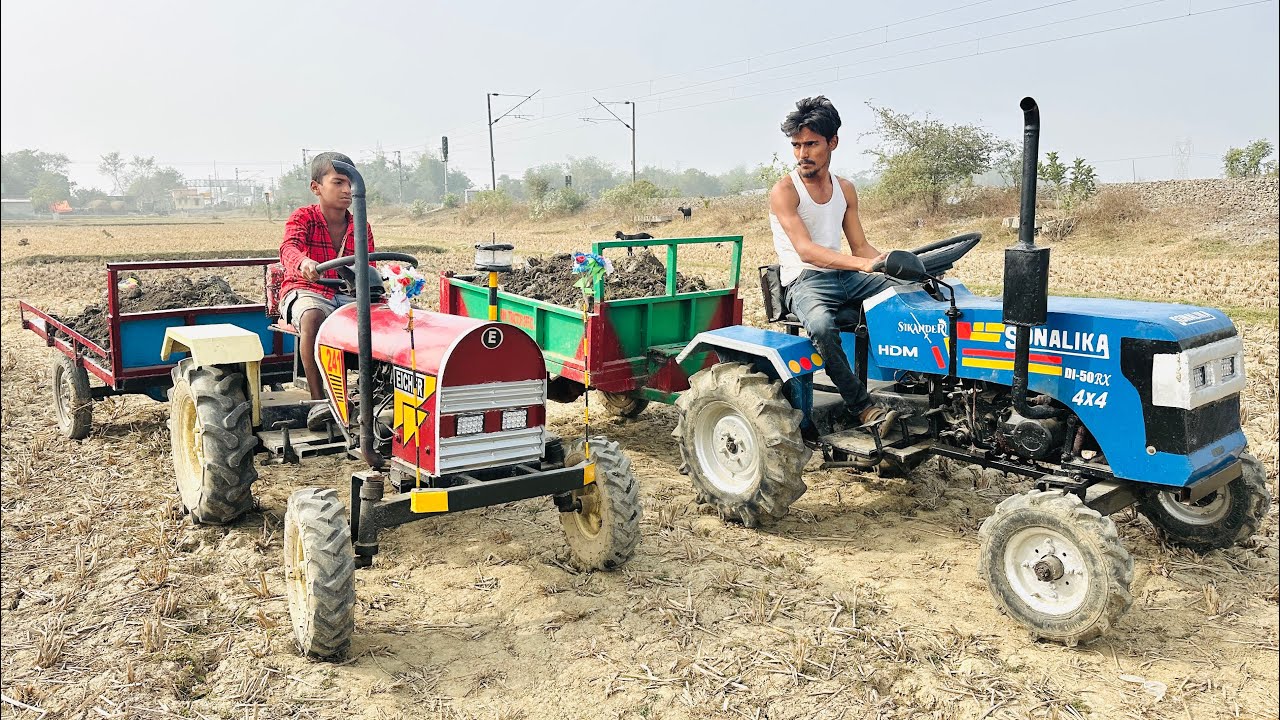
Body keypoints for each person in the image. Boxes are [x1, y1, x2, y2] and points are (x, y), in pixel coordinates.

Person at [769, 96, 899, 434]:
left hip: (846, 275)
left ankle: (915, 386)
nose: (802, 154)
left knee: (908, 296)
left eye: (811, 144)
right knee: (824, 328)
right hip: (805, 281)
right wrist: (863, 264)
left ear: (832, 143)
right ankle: (863, 407)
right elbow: (807, 251)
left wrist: (890, 264)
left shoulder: (845, 189)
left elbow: (861, 246)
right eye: (796, 145)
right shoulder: (785, 191)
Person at [279, 151, 376, 430]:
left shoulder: (361, 226)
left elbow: (366, 266)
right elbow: (289, 248)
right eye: (338, 182)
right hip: (307, 289)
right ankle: (319, 402)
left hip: (346, 293)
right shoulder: (304, 217)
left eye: (351, 184)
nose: (347, 190)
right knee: (313, 317)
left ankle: (377, 396)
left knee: (388, 321)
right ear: (316, 187)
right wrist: (304, 262)